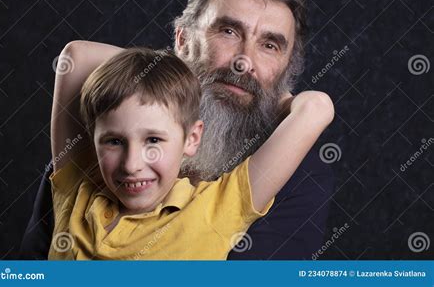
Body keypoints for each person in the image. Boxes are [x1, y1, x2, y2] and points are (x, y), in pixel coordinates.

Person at [21, 0, 335, 259]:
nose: (243, 62)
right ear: (182, 41)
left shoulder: (288, 178)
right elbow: (77, 57)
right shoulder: (93, 167)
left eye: (269, 46)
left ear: (286, 71)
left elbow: (315, 108)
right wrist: (167, 81)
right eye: (227, 31)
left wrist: (273, 98)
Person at [48, 47, 333, 259]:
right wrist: (163, 74)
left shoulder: (215, 209)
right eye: (114, 142)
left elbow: (316, 108)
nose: (132, 164)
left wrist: (266, 98)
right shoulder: (78, 188)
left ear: (192, 138)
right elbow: (76, 55)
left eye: (154, 140)